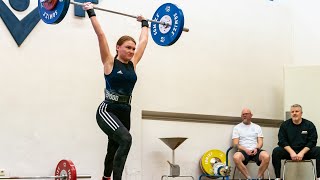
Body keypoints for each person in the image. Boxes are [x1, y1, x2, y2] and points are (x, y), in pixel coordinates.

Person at [82, 2, 149, 180]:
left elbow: (143, 41)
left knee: (114, 147)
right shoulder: (109, 62)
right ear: (118, 47)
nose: (131, 51)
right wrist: (91, 11)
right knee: (126, 139)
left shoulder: (133, 64)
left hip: (125, 112)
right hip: (107, 110)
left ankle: (105, 177)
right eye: (128, 47)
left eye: (133, 49)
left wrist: (144, 23)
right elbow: (101, 35)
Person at [272, 104, 320, 180]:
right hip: (290, 152)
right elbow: (282, 141)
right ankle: (278, 177)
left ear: (301, 113)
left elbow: (312, 141)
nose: (294, 113)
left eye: (297, 111)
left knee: (318, 150)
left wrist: (302, 153)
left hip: (305, 152)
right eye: (292, 112)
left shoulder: (309, 125)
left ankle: (318, 177)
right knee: (276, 151)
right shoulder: (285, 125)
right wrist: (291, 152)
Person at [232, 108, 270, 180]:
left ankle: (258, 177)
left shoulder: (257, 127)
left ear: (251, 115)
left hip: (255, 150)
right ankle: (248, 177)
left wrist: (257, 148)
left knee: (266, 156)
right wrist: (245, 149)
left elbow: (260, 142)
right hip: (243, 150)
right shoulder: (237, 128)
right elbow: (235, 144)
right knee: (236, 157)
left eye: (246, 114)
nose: (244, 116)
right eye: (243, 114)